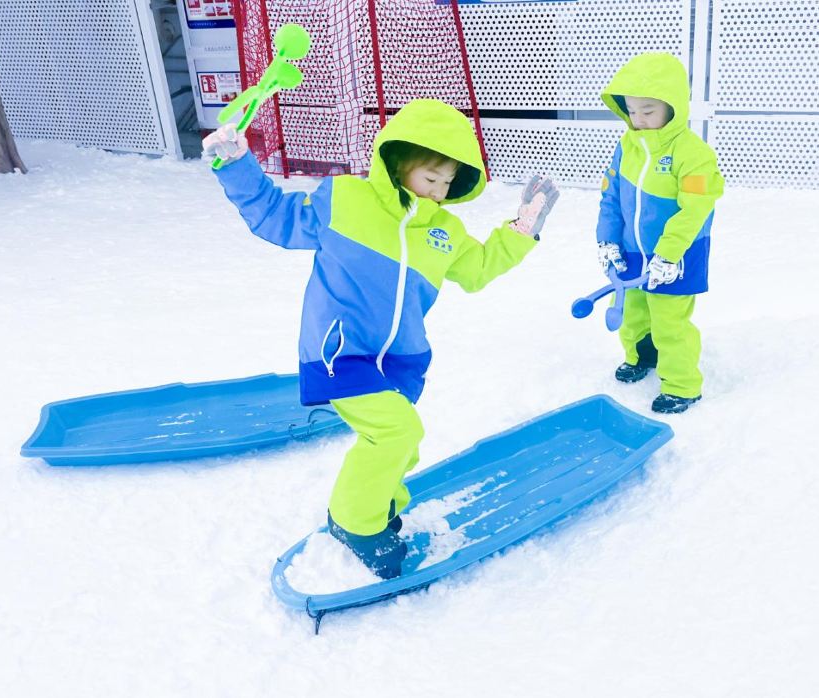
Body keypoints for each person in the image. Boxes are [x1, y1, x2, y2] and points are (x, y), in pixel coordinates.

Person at [203, 99, 559, 577]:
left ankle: (382, 505)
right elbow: (274, 217)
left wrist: (521, 230)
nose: (439, 191)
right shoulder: (346, 201)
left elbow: (476, 271)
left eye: (448, 183)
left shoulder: (444, 231)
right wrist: (235, 163)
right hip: (339, 353)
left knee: (399, 442)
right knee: (397, 431)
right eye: (431, 178)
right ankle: (354, 522)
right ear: (396, 162)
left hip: (399, 362)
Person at [595, 53, 724, 413]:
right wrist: (607, 239)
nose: (638, 120)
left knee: (669, 320)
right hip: (632, 250)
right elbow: (610, 194)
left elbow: (696, 209)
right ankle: (641, 356)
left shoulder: (693, 154)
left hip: (678, 253)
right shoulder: (628, 146)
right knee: (633, 311)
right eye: (632, 110)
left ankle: (682, 386)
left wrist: (669, 254)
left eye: (648, 110)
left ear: (674, 106)